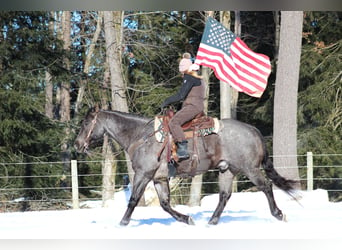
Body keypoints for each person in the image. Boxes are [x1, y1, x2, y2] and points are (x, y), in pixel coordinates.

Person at [161, 53, 206, 160]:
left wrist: (166, 101)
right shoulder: (196, 78)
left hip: (193, 106)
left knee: (174, 122)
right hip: (194, 105)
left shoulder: (189, 77)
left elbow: (181, 95)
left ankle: (183, 148)